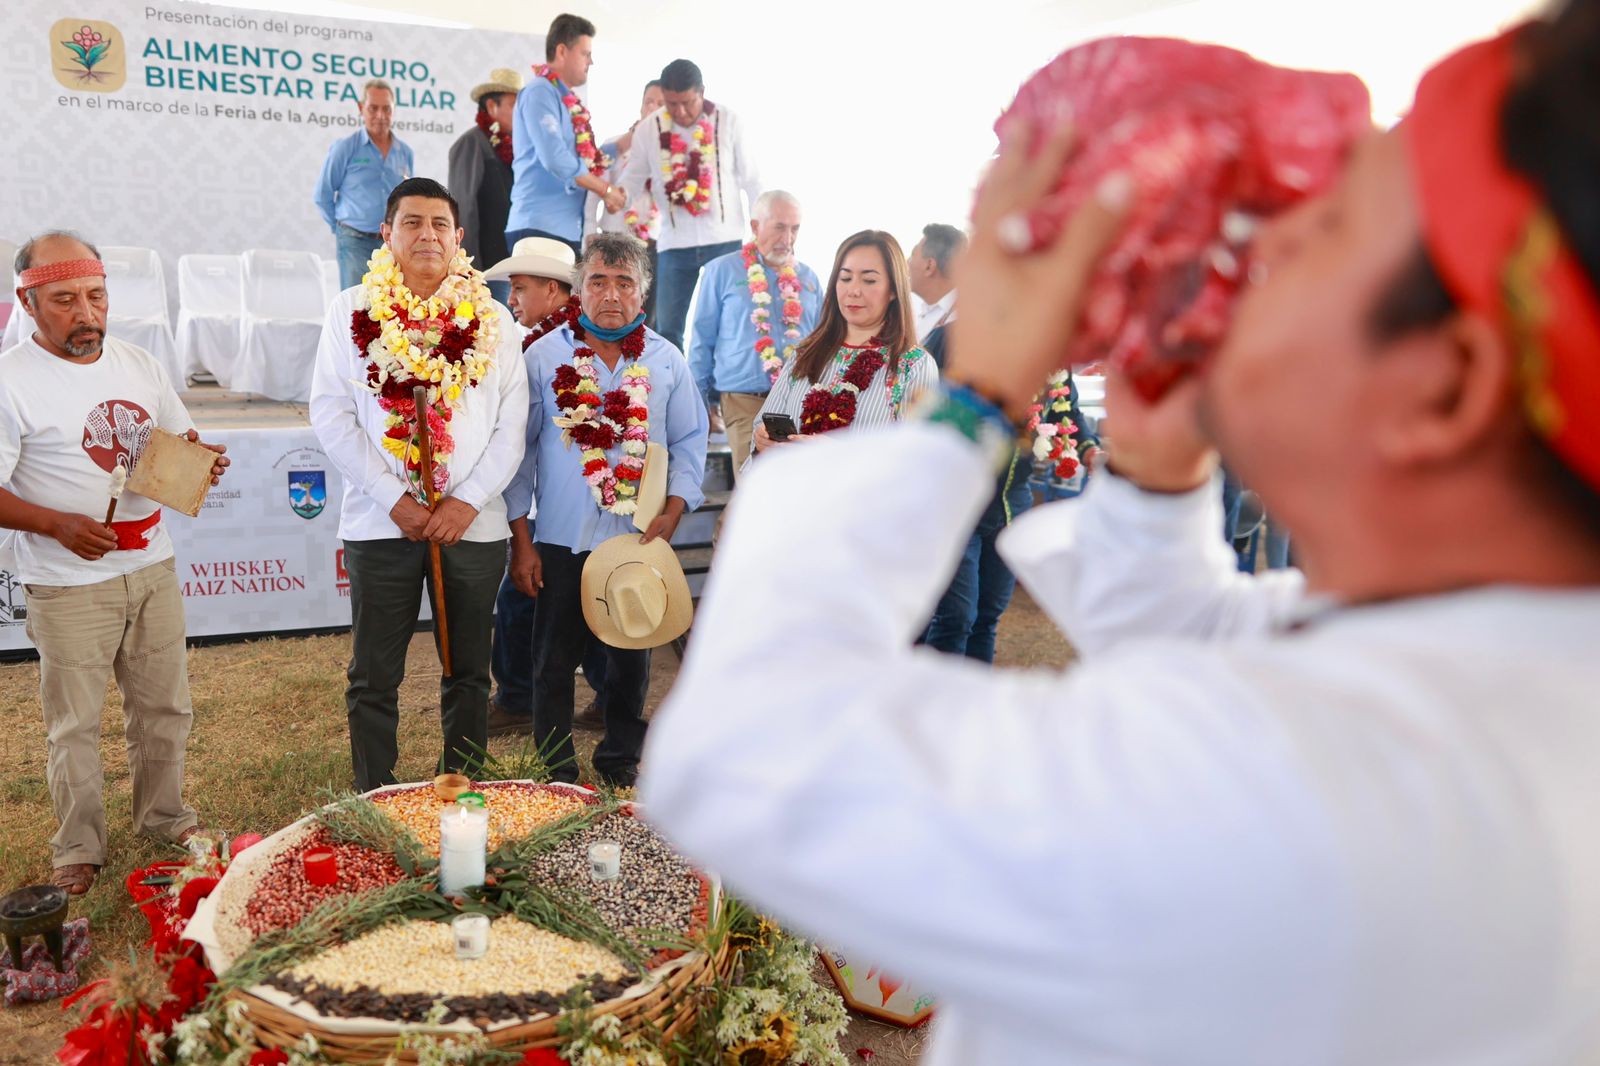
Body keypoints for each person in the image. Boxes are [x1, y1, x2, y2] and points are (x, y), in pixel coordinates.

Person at [640, 5, 1600, 1063]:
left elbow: (750, 751)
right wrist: (1152, 472)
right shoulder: (1498, 681)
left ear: (1446, 385)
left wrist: (976, 399)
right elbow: (1213, 637)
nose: (1262, 251)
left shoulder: (1321, 797)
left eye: (1324, 233)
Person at [0, 232, 230, 897]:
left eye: (96, 296)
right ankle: (78, 845)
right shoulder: (10, 380)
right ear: (28, 302)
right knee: (74, 723)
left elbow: (174, 445)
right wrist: (56, 525)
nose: (86, 314)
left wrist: (199, 462)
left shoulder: (140, 364)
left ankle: (164, 818)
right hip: (67, 579)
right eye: (65, 300)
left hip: (152, 564)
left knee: (164, 706)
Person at [310, 178, 529, 793]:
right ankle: (375, 796)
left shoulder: (495, 320)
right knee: (374, 674)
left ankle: (460, 794)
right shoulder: (352, 309)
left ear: (459, 238)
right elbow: (331, 413)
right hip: (380, 523)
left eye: (439, 224)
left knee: (468, 671)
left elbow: (512, 427)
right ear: (387, 234)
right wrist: (394, 500)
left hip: (473, 526)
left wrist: (466, 502)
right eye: (412, 222)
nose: (427, 235)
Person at [504, 232, 707, 787]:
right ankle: (557, 773)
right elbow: (519, 454)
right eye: (598, 281)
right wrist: (521, 540)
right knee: (552, 661)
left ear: (643, 293)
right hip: (560, 539)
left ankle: (619, 763)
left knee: (629, 663)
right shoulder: (543, 357)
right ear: (579, 289)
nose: (611, 294)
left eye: (624, 283)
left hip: (636, 541)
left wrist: (676, 507)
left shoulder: (666, 361)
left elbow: (690, 441)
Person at [478, 235, 584, 737]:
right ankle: (526, 694)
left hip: (562, 501)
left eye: (520, 288)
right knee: (532, 595)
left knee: (526, 596)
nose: (511, 298)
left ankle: (518, 696)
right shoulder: (534, 343)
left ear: (554, 290)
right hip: (542, 499)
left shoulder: (569, 345)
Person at [750, 230, 937, 459]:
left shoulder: (912, 365)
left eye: (869, 280)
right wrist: (762, 439)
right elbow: (763, 423)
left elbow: (919, 456)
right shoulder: (805, 354)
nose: (853, 291)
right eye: (845, 278)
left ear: (893, 290)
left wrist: (840, 454)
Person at [617, 58, 761, 352]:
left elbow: (752, 179)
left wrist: (760, 228)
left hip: (724, 240)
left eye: (688, 103)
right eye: (672, 104)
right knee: (667, 328)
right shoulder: (649, 129)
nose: (680, 112)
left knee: (728, 324)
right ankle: (672, 381)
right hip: (674, 244)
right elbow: (632, 180)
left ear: (702, 93)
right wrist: (613, 197)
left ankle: (718, 383)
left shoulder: (728, 120)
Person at [687, 190, 822, 475]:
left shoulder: (809, 278)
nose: (788, 238)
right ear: (755, 226)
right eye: (779, 227)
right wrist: (700, 405)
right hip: (744, 400)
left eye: (795, 228)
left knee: (800, 485)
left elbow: (825, 340)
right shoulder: (721, 271)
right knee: (754, 485)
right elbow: (702, 342)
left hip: (801, 399)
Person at [506, 14, 625, 257]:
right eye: (585, 53)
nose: (591, 61)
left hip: (566, 229)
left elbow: (591, 160)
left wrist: (635, 135)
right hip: (538, 226)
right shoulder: (540, 92)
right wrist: (606, 190)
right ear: (562, 51)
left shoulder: (567, 99)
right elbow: (556, 158)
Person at [314, 80, 415, 290]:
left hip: (392, 243)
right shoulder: (345, 148)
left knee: (393, 303)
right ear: (361, 108)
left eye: (387, 109)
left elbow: (408, 199)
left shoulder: (405, 153)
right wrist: (342, 229)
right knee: (356, 302)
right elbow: (322, 195)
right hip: (354, 242)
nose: (381, 115)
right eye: (373, 108)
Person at [448, 67, 524, 307]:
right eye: (514, 105)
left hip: (510, 262)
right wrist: (471, 271)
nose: (521, 113)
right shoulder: (471, 143)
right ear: (492, 106)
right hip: (486, 268)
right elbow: (463, 210)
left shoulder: (516, 145)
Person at [594, 79, 667, 327]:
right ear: (641, 106)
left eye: (661, 104)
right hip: (613, 239)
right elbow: (593, 192)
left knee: (648, 319)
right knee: (609, 312)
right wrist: (589, 233)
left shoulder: (672, 154)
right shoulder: (615, 145)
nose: (653, 108)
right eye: (649, 102)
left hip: (652, 245)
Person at [908, 223, 966, 343]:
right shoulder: (926, 310)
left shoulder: (961, 320)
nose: (907, 262)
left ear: (929, 266)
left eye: (913, 255)